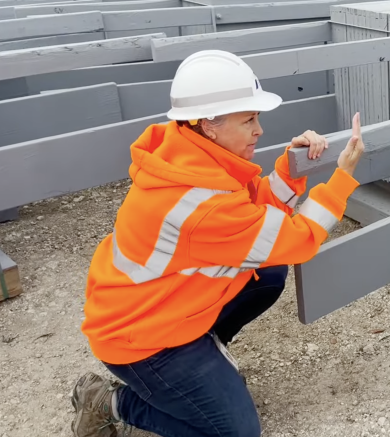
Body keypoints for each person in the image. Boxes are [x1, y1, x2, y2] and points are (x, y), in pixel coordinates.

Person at [69, 49, 365, 437]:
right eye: (248, 120)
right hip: (142, 340)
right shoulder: (200, 205)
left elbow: (252, 209)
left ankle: (202, 360)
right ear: (209, 125)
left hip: (162, 310)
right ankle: (108, 401)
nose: (259, 130)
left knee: (268, 272)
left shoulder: (191, 155)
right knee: (236, 433)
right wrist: (342, 179)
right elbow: (299, 239)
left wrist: (291, 170)